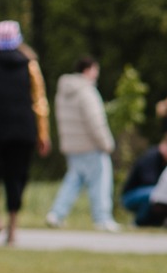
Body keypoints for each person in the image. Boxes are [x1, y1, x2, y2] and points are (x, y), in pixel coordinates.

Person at [0, 20, 50, 245]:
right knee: (16, 177)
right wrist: (43, 134)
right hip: (23, 130)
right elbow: (40, 102)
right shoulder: (30, 65)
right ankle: (12, 230)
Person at [46, 55, 119, 232]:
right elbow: (95, 121)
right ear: (88, 70)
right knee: (100, 182)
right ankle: (102, 218)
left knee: (73, 182)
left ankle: (56, 213)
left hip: (72, 145)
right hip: (91, 145)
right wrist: (106, 143)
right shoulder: (87, 91)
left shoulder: (64, 92)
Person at [122, 129, 167, 225]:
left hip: (149, 194)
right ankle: (139, 222)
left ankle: (155, 222)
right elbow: (149, 182)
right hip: (130, 196)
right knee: (154, 192)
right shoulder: (151, 156)